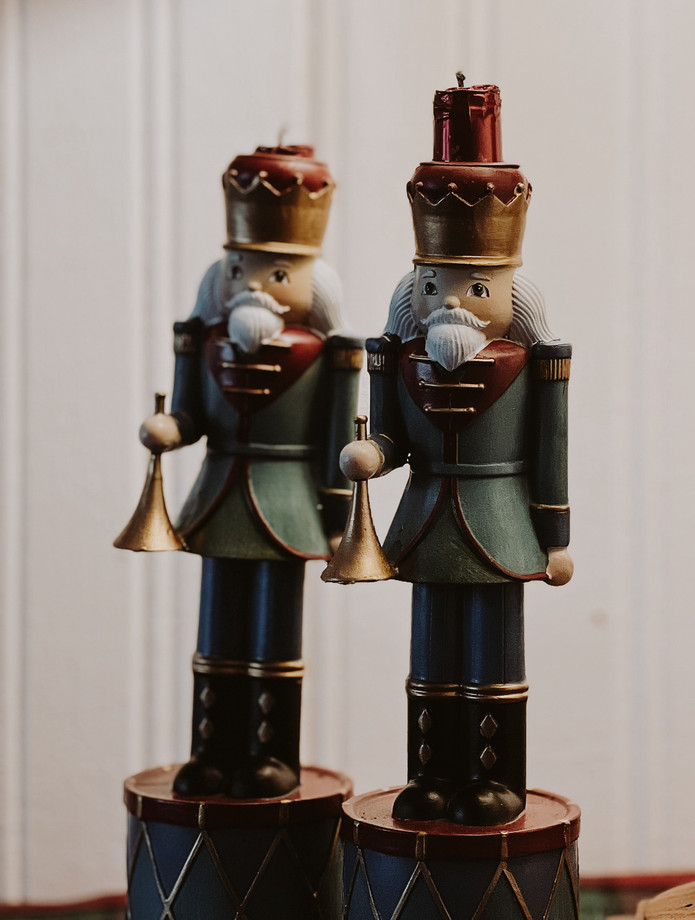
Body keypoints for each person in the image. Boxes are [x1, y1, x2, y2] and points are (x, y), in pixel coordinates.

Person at [341, 84, 571, 826]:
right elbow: (393, 437)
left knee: (493, 661)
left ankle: (493, 777)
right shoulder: (403, 355)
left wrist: (558, 537)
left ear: (512, 292)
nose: (456, 307)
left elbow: (550, 451)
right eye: (437, 286)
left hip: (504, 517)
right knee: (431, 660)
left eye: (477, 288)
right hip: (427, 518)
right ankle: (434, 772)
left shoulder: (537, 364)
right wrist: (372, 453)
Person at [134, 144, 362, 798]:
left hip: (289, 499)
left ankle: (272, 754)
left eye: (276, 273)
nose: (255, 287)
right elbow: (188, 416)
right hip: (219, 494)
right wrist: (165, 430)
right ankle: (212, 747)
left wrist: (339, 513)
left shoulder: (328, 353)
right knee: (218, 631)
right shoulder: (206, 342)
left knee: (274, 634)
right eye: (241, 269)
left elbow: (333, 436)